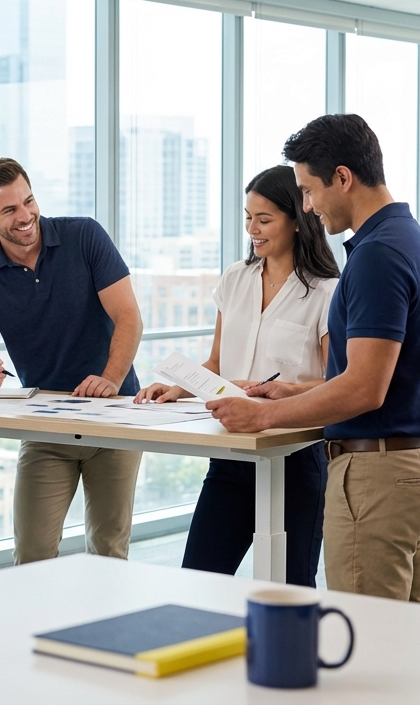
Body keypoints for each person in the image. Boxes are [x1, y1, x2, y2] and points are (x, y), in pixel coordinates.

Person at [207, 114, 420, 604]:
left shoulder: (378, 255)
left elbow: (364, 388)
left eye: (308, 190)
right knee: (406, 636)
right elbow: (384, 375)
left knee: (367, 635)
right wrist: (294, 390)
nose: (308, 206)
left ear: (342, 177)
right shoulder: (412, 240)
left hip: (380, 475)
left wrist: (264, 414)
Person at [136, 166, 338, 586]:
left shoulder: (325, 290)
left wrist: (282, 391)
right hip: (232, 456)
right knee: (199, 579)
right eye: (248, 218)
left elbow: (335, 382)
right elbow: (216, 363)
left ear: (297, 221)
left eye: (264, 220)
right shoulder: (235, 278)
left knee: (291, 588)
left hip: (296, 458)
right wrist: (176, 387)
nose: (252, 230)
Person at [0, 157, 144, 564]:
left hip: (114, 416)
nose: (26, 216)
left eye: (29, 201)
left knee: (109, 550)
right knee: (32, 553)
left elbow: (129, 317)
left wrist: (111, 378)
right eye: (9, 210)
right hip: (46, 426)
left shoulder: (85, 236)